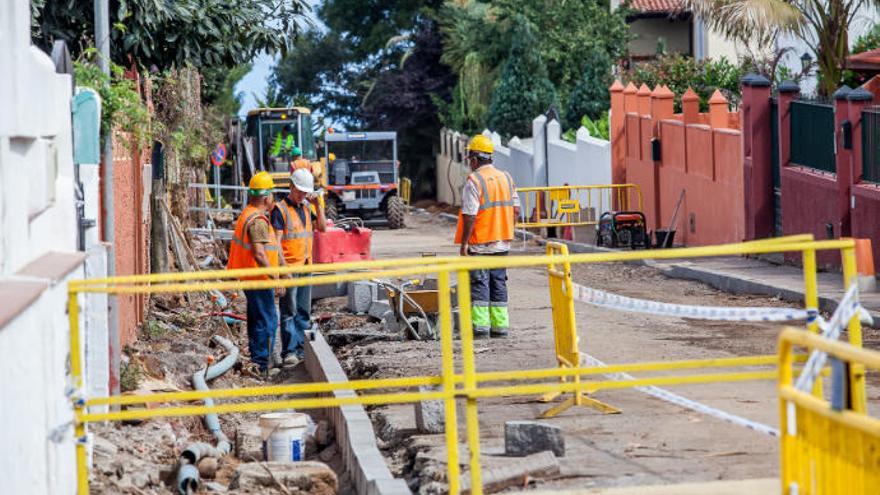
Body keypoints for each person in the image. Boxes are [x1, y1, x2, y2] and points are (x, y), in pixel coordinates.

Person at [455, 134, 519, 339]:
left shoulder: (474, 180)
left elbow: (470, 214)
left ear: (474, 159)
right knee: (499, 283)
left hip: (481, 244)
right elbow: (515, 209)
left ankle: (481, 328)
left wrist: (464, 244)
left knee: (480, 284)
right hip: (502, 243)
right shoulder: (506, 178)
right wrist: (507, 229)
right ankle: (500, 327)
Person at [227, 171, 283, 377]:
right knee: (267, 320)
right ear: (267, 197)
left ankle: (258, 360)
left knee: (256, 319)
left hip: (251, 278)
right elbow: (260, 253)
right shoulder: (258, 220)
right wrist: (274, 278)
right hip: (259, 280)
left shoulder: (247, 213)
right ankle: (263, 364)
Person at [271, 168, 327, 365]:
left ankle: (303, 350)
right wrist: (283, 271)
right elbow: (276, 243)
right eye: (300, 191)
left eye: (306, 192)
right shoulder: (280, 210)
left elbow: (323, 227)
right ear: (291, 186)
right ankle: (289, 352)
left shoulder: (305, 208)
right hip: (290, 268)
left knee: (303, 310)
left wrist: (317, 205)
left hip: (305, 266)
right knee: (289, 311)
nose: (303, 195)